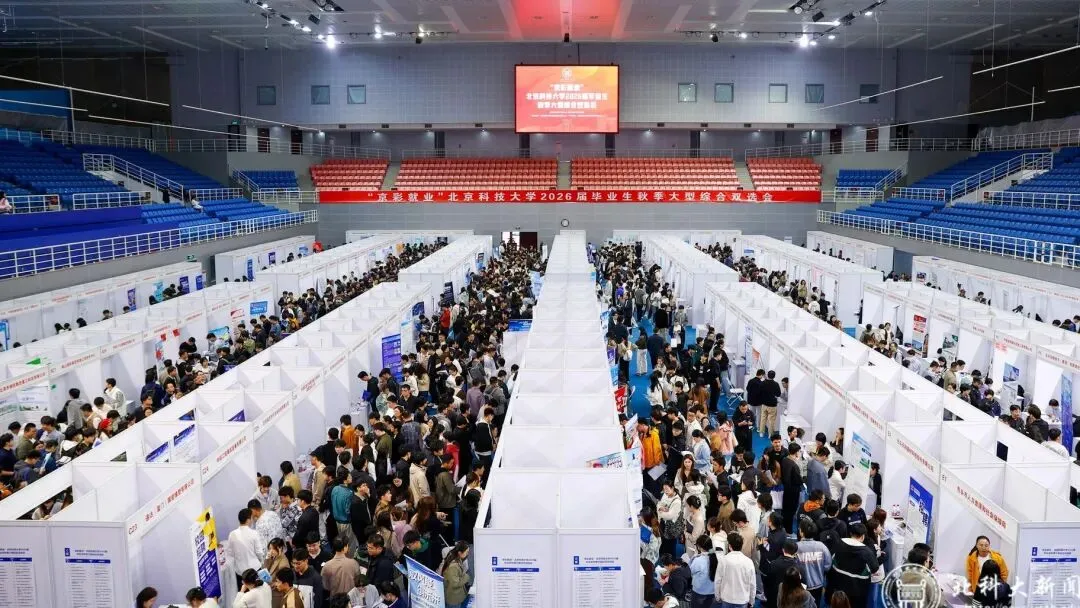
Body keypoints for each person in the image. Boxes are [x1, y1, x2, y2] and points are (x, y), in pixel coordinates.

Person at [828, 523, 879, 608]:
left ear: (850, 533)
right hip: (858, 590)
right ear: (863, 536)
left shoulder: (838, 543)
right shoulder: (867, 552)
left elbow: (831, 558)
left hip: (839, 585)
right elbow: (874, 568)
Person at [714, 531, 757, 608]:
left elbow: (718, 581)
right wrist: (752, 601)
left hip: (726, 598)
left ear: (729, 546)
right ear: (741, 545)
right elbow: (752, 584)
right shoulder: (749, 562)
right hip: (742, 599)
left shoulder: (723, 560)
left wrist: (717, 596)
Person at [795, 519, 831, 605]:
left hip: (800, 586)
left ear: (801, 533)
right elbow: (827, 566)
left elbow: (792, 566)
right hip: (818, 585)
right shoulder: (822, 546)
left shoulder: (796, 547)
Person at [227, 508, 264, 588]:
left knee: (243, 593)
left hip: (240, 572)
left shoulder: (232, 534)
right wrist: (261, 561)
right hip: (254, 570)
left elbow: (230, 553)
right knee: (258, 591)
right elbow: (259, 552)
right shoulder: (254, 533)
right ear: (248, 520)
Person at [763, 540, 800, 608]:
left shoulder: (773, 564)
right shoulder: (798, 566)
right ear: (795, 552)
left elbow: (767, 581)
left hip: (775, 597)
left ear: (783, 550)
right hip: (792, 598)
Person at [689, 535, 718, 608]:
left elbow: (690, 572)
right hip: (712, 592)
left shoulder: (698, 560)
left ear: (699, 547)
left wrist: (693, 558)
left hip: (699, 592)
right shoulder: (716, 558)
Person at [441, 541, 472, 608]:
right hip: (453, 599)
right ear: (460, 553)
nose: (468, 554)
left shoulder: (456, 558)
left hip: (455, 595)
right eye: (466, 552)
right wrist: (466, 577)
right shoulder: (453, 566)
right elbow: (455, 584)